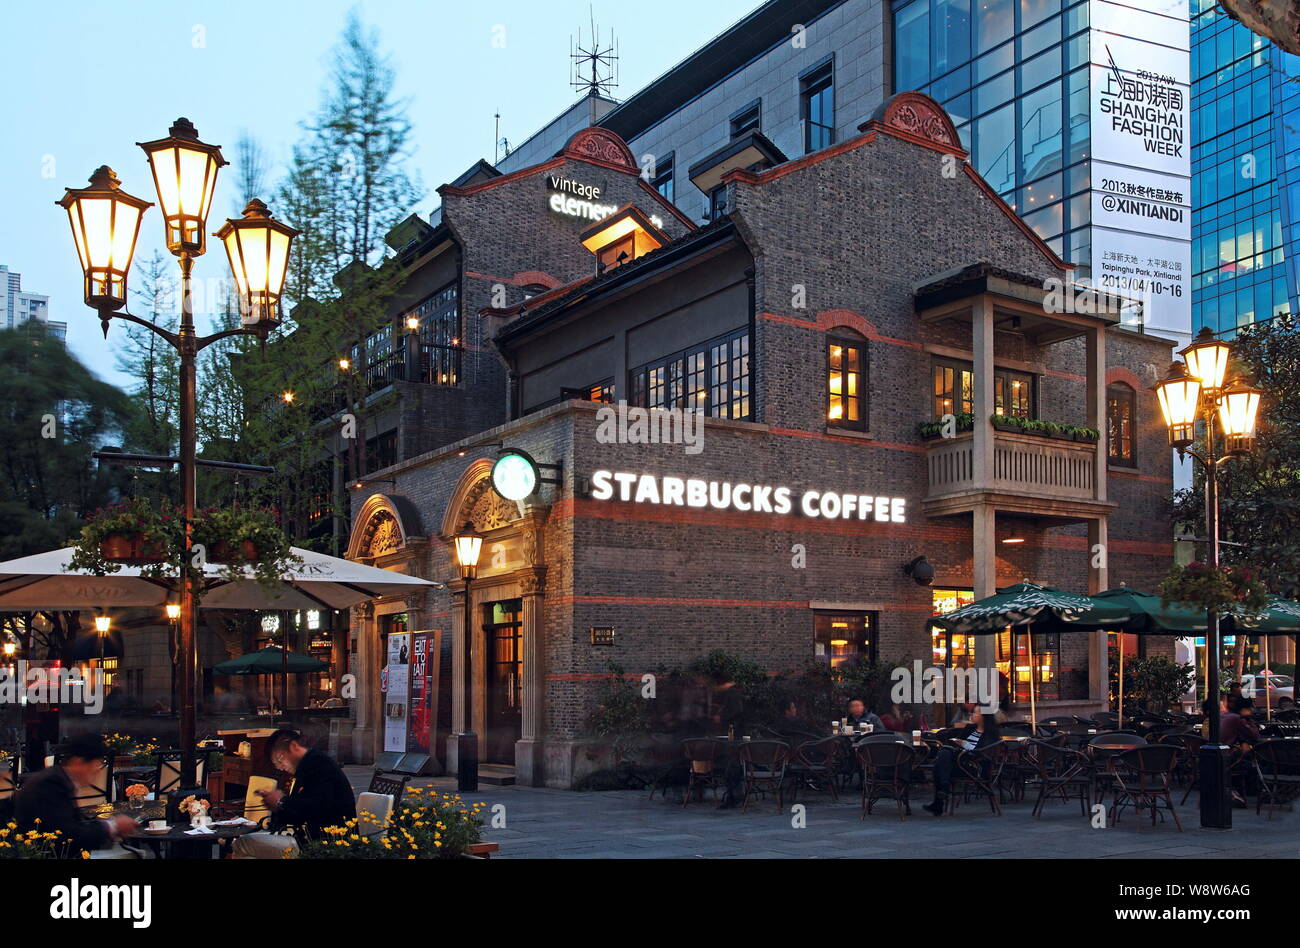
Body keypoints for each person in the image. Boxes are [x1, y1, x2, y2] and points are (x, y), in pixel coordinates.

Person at [231, 729, 356, 859]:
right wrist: (276, 805)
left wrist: (281, 802)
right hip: (308, 838)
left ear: (294, 746)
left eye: (280, 758)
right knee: (248, 843)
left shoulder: (318, 765)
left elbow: (317, 806)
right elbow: (299, 811)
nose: (281, 767)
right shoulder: (308, 766)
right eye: (276, 764)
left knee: (243, 844)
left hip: (324, 842)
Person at [13, 733, 138, 857]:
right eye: (96, 764)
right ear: (79, 762)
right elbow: (68, 834)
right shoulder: (50, 784)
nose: (98, 771)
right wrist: (113, 826)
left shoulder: (58, 778)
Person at [922, 710, 1002, 816]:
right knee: (942, 759)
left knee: (940, 763)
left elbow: (983, 753)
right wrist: (958, 743)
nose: (972, 714)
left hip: (976, 767)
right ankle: (943, 790)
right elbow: (955, 743)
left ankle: (940, 800)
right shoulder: (970, 728)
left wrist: (966, 745)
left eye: (975, 712)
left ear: (984, 716)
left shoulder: (991, 732)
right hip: (960, 762)